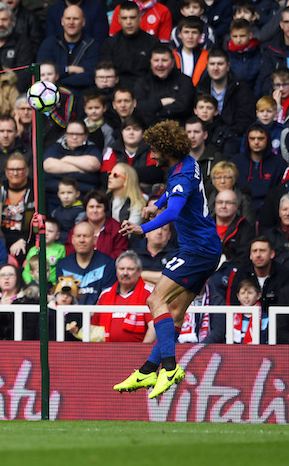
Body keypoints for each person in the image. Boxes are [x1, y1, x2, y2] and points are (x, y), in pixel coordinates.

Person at [117, 119, 223, 399]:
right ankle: (148, 369)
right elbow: (174, 197)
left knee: (155, 300)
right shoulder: (186, 163)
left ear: (166, 149)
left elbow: (175, 211)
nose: (150, 155)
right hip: (206, 249)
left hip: (196, 250)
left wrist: (142, 228)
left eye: (154, 150)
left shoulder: (181, 176)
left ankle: (169, 366)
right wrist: (157, 203)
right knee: (174, 312)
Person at [92, 250, 155, 342]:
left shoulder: (148, 293)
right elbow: (94, 327)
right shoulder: (105, 295)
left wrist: (143, 352)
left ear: (139, 272)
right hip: (106, 352)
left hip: (137, 353)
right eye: (121, 269)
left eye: (130, 269)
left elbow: (154, 327)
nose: (125, 273)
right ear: (116, 271)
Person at [99, 1, 159, 88]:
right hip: (117, 92)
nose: (128, 22)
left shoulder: (153, 43)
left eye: (132, 17)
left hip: (146, 90)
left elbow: (156, 74)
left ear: (140, 18)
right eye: (124, 18)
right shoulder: (110, 44)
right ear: (119, 19)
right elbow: (106, 73)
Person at [57, 221, 117, 305]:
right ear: (73, 240)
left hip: (97, 316)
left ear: (94, 240)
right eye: (78, 236)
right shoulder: (63, 265)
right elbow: (62, 298)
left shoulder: (107, 263)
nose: (82, 240)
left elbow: (107, 298)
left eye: (86, 236)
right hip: (71, 316)